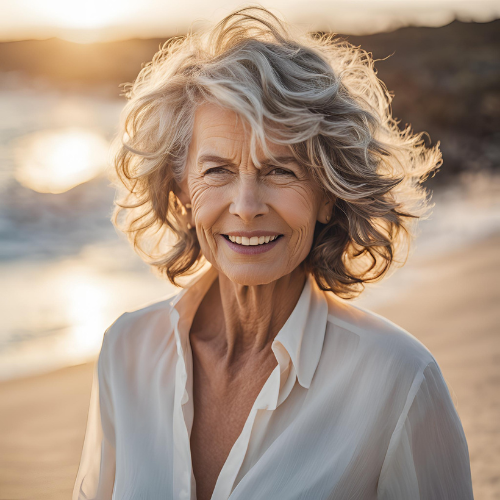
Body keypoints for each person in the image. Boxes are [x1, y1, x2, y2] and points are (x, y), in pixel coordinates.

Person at [73, 7, 473, 500]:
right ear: (180, 189)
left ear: (329, 193)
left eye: (280, 171)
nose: (245, 207)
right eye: (217, 170)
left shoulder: (401, 382)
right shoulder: (126, 351)